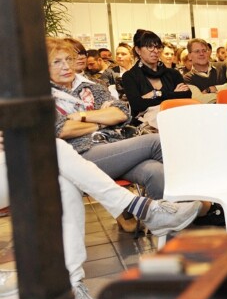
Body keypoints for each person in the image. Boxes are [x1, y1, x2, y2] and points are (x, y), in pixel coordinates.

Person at [0, 134, 200, 299]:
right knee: (51, 146)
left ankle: (71, 286)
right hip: (77, 151)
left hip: (86, 148)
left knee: (62, 180)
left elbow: (121, 113)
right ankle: (141, 209)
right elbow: (57, 126)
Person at [47, 37, 196, 228]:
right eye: (57, 62)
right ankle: (201, 197)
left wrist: (82, 116)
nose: (66, 66)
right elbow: (60, 129)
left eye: (69, 59)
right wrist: (101, 120)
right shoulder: (44, 95)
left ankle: (168, 226)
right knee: (156, 141)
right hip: (79, 156)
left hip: (114, 147)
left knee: (155, 171)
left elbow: (121, 112)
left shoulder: (89, 85)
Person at [121, 29, 191, 119]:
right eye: (150, 46)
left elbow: (187, 95)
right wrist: (174, 95)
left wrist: (156, 94)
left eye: (158, 47)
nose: (155, 51)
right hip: (146, 123)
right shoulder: (130, 76)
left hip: (177, 117)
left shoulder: (173, 73)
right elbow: (137, 105)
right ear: (138, 50)